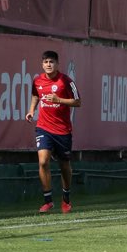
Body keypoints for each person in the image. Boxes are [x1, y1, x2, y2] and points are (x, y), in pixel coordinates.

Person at [26, 50, 81, 213]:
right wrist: (31, 110)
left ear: (57, 64)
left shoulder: (66, 81)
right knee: (43, 161)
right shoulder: (37, 81)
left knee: (64, 165)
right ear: (42, 64)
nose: (48, 65)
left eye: (51, 62)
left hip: (62, 130)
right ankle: (48, 200)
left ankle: (66, 198)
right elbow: (36, 95)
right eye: (45, 62)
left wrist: (59, 100)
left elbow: (78, 102)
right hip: (43, 127)